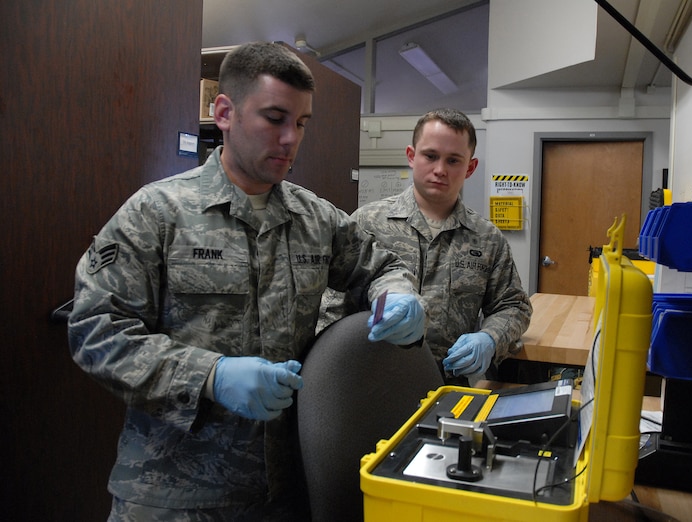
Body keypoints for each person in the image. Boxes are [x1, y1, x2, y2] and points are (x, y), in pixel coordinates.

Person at [67, 41, 425, 521]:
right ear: (225, 113)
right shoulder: (157, 213)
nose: (289, 139)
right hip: (174, 493)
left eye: (300, 124)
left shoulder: (314, 218)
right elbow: (97, 330)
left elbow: (381, 265)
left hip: (286, 490)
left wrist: (398, 294)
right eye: (274, 118)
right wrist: (210, 376)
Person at [320, 108, 532, 386]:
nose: (440, 170)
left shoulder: (487, 238)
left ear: (470, 167)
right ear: (411, 156)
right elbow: (331, 305)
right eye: (430, 156)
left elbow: (513, 306)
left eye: (453, 160)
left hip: (447, 384)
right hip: (368, 384)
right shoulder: (366, 223)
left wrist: (490, 338)